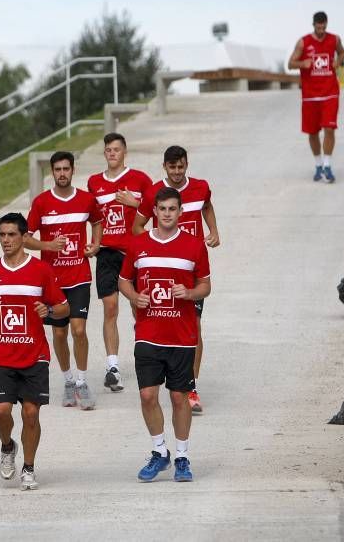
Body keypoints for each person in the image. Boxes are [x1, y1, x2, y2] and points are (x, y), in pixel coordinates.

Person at [119, 187, 211, 483]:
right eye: (162, 209)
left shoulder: (194, 246)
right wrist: (135, 297)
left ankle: (182, 456)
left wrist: (189, 292)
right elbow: (123, 281)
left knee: (179, 397)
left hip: (181, 337)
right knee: (147, 395)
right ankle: (160, 452)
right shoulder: (138, 245)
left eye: (173, 209)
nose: (167, 214)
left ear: (180, 212)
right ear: (154, 212)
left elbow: (205, 286)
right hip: (148, 333)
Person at [0, 213, 69, 490]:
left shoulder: (40, 270)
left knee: (30, 413)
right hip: (0, 357)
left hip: (34, 355)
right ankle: (7, 446)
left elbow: (64, 307)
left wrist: (48, 310)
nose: (6, 240)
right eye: (2, 235)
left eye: (12, 235)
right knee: (1, 411)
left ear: (24, 237)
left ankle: (28, 467)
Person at [132, 145, 220, 413]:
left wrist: (214, 231)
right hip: (161, 271)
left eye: (181, 166)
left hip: (190, 270)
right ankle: (162, 379)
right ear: (164, 167)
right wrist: (148, 253)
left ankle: (190, 387)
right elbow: (137, 226)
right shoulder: (154, 193)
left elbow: (207, 206)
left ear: (186, 164)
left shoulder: (201, 187)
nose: (178, 172)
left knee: (195, 326)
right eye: (172, 168)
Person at [25, 151, 102, 410]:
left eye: (66, 169)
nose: (61, 174)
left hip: (79, 275)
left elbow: (97, 220)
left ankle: (81, 382)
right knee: (59, 332)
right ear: (52, 172)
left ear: (72, 170)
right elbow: (25, 237)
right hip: (52, 281)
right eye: (57, 169)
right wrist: (48, 244)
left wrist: (95, 244)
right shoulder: (42, 202)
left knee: (79, 330)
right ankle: (68, 380)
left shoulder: (86, 199)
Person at [87, 132, 152, 392]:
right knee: (110, 307)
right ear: (104, 153)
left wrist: (134, 202)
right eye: (108, 150)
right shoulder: (94, 182)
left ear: (125, 152)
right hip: (107, 253)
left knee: (139, 306)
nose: (112, 153)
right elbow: (92, 217)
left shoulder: (140, 179)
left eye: (116, 149)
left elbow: (156, 210)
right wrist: (92, 243)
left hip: (134, 252)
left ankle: (144, 356)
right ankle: (112, 367)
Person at [288, 10, 344, 183]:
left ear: (326, 24)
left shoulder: (334, 39)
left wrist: (338, 62)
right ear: (313, 25)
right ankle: (318, 164)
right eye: (318, 25)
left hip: (330, 92)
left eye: (324, 25)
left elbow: (342, 53)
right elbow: (290, 63)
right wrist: (302, 63)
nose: (321, 28)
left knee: (329, 128)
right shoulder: (303, 42)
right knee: (313, 132)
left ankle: (328, 166)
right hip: (310, 95)